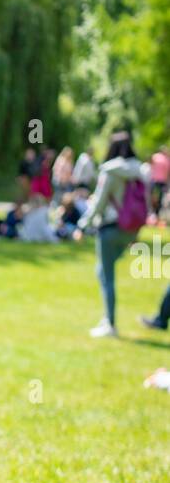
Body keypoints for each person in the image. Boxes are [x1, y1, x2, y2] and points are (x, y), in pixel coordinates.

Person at [73, 130, 150, 338]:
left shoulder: (110, 171)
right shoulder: (141, 171)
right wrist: (137, 232)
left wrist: (81, 226)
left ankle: (110, 323)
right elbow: (146, 203)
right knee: (103, 271)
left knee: (106, 275)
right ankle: (107, 319)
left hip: (110, 229)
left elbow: (98, 203)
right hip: (131, 230)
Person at [149, 146, 170, 218]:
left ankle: (153, 213)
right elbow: (167, 173)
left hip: (154, 180)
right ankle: (156, 214)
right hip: (161, 182)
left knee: (153, 197)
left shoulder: (155, 156)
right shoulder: (167, 159)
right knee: (159, 198)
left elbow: (150, 167)